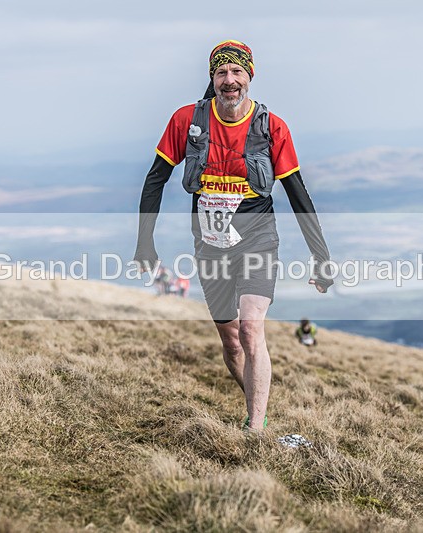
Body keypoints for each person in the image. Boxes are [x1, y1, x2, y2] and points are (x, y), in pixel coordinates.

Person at [134, 40, 333, 432]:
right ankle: (257, 404)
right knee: (231, 341)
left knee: (250, 327)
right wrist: (145, 243)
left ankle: (254, 430)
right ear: (213, 78)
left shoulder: (272, 127)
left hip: (259, 239)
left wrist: (321, 256)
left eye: (237, 72)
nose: (230, 80)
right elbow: (155, 179)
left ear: (250, 77)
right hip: (209, 244)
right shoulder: (185, 122)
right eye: (222, 73)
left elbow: (298, 195)